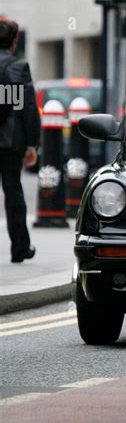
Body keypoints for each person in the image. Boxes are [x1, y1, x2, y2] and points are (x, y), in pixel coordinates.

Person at [0, 17, 40, 263]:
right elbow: (25, 108)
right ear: (14, 41)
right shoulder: (17, 68)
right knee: (13, 192)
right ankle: (20, 248)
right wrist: (32, 144)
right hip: (8, 142)